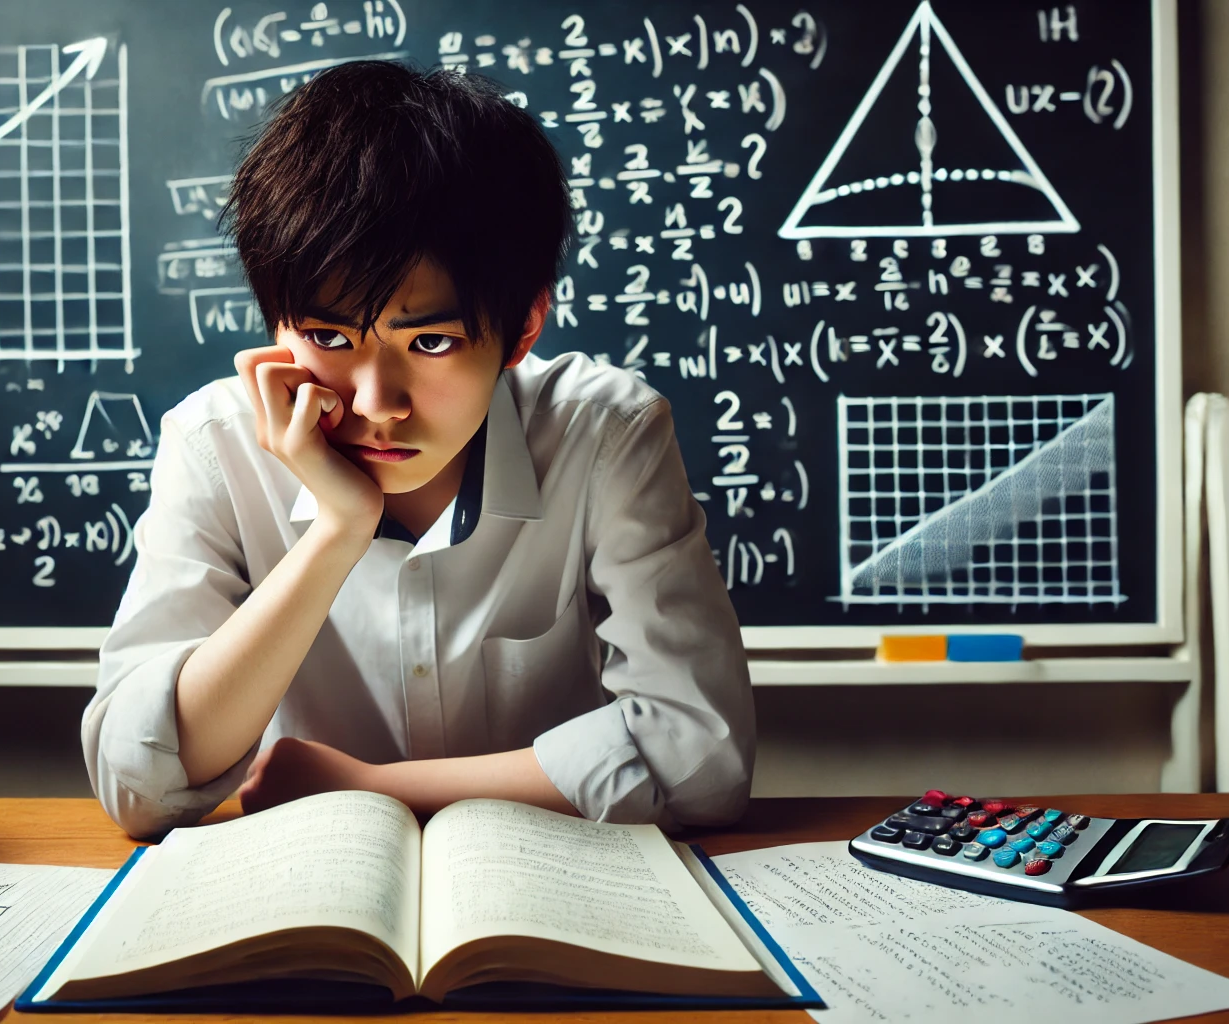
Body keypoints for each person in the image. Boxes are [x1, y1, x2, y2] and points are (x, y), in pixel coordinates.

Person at [82, 61, 753, 841]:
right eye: (328, 337)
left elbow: (704, 762)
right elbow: (137, 784)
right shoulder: (213, 443)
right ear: (276, 326)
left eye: (430, 340)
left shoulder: (605, 435)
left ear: (523, 329)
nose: (375, 406)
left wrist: (373, 788)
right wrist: (336, 533)